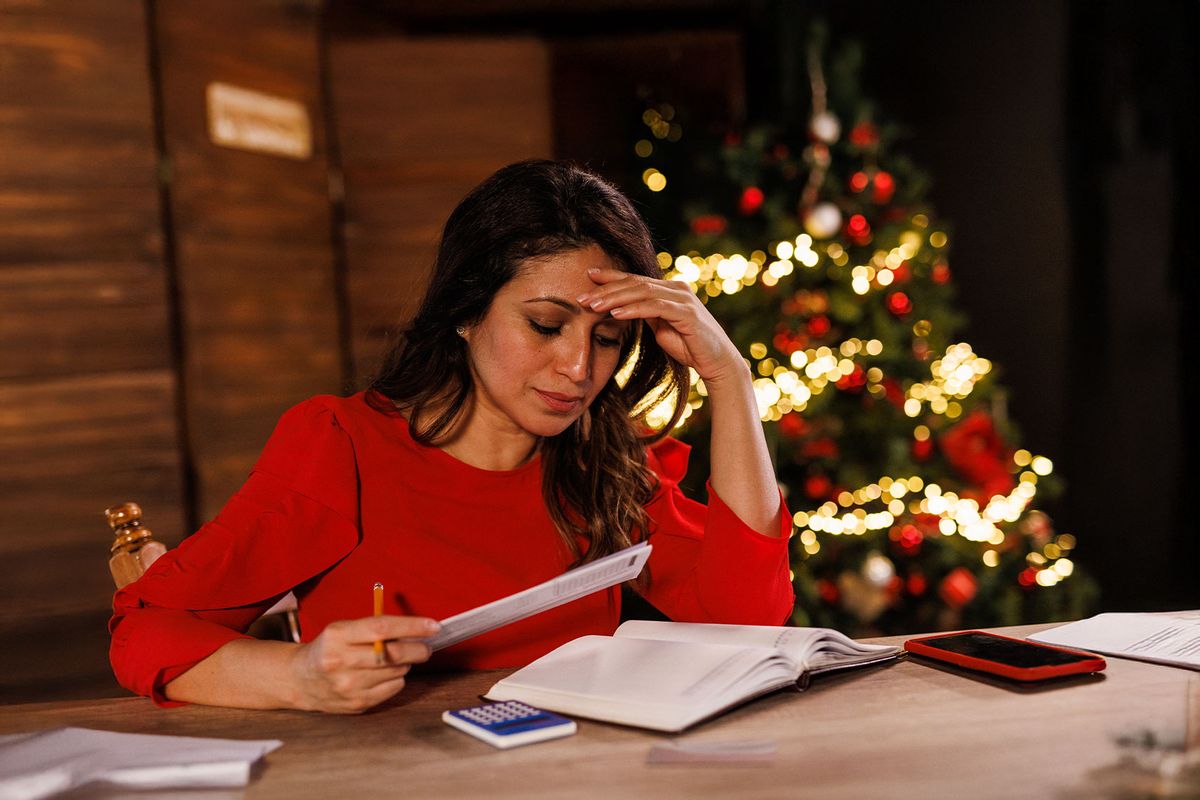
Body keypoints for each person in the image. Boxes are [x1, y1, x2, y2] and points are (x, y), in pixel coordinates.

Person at [109, 160, 794, 713]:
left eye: (607, 339)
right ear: (466, 313)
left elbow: (749, 618)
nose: (580, 368)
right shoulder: (342, 445)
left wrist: (728, 375)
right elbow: (142, 632)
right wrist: (298, 676)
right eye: (546, 326)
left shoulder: (607, 461)